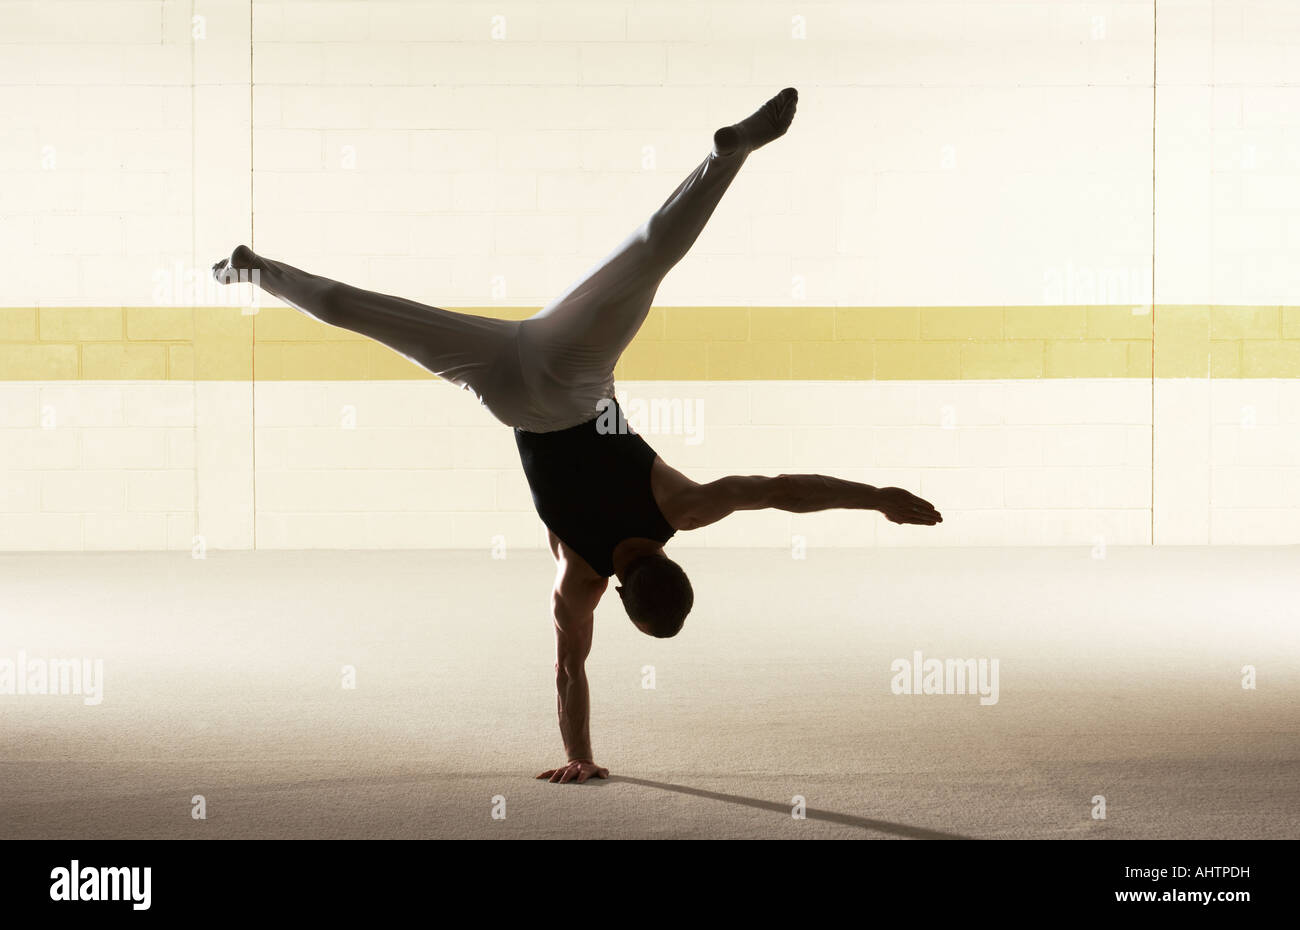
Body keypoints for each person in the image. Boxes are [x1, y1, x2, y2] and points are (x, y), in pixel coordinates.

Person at [214, 88, 943, 784]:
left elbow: (780, 491)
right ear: (625, 599)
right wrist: (579, 754)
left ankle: (729, 156)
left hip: (575, 368)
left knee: (650, 254)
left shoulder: (680, 509)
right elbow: (569, 669)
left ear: (676, 566)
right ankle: (253, 269)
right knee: (355, 310)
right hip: (508, 391)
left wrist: (876, 496)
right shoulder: (579, 586)